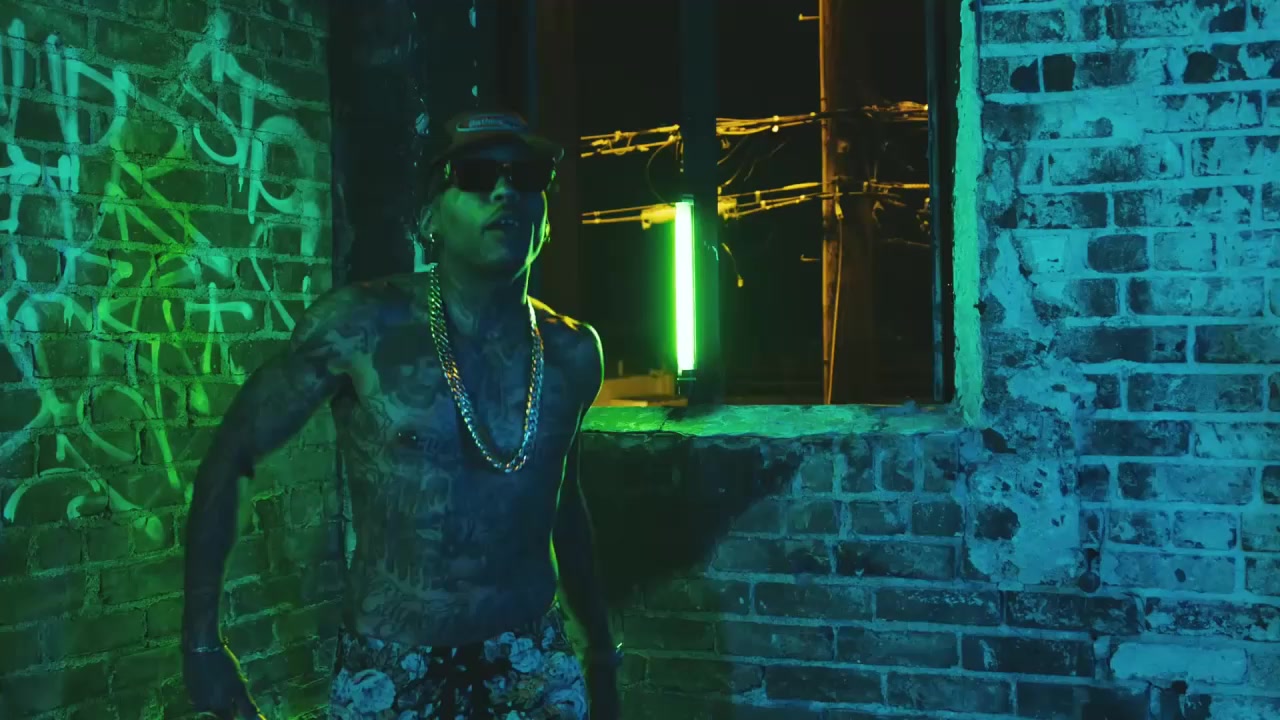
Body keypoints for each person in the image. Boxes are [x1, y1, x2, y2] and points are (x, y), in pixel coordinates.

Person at [181, 110, 620, 719]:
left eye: (528, 176)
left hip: (532, 659)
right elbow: (231, 456)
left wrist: (600, 648)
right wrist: (202, 644)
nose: (504, 191)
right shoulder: (361, 327)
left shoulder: (573, 352)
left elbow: (560, 500)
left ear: (545, 217)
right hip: (395, 664)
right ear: (429, 217)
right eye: (475, 174)